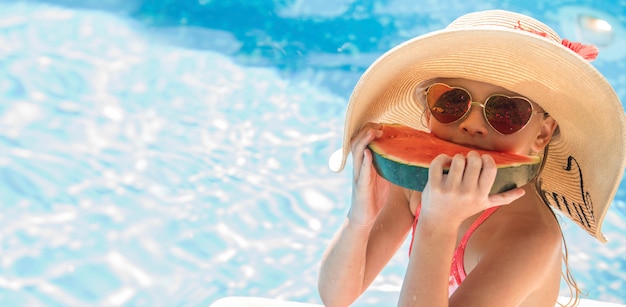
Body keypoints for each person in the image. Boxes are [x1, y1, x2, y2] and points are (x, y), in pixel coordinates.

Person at [318, 10, 626, 307]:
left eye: (506, 111)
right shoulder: (419, 184)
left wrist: (437, 225)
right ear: (428, 111)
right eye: (452, 101)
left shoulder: (530, 237)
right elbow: (337, 297)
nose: (472, 124)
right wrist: (360, 219)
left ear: (543, 133)